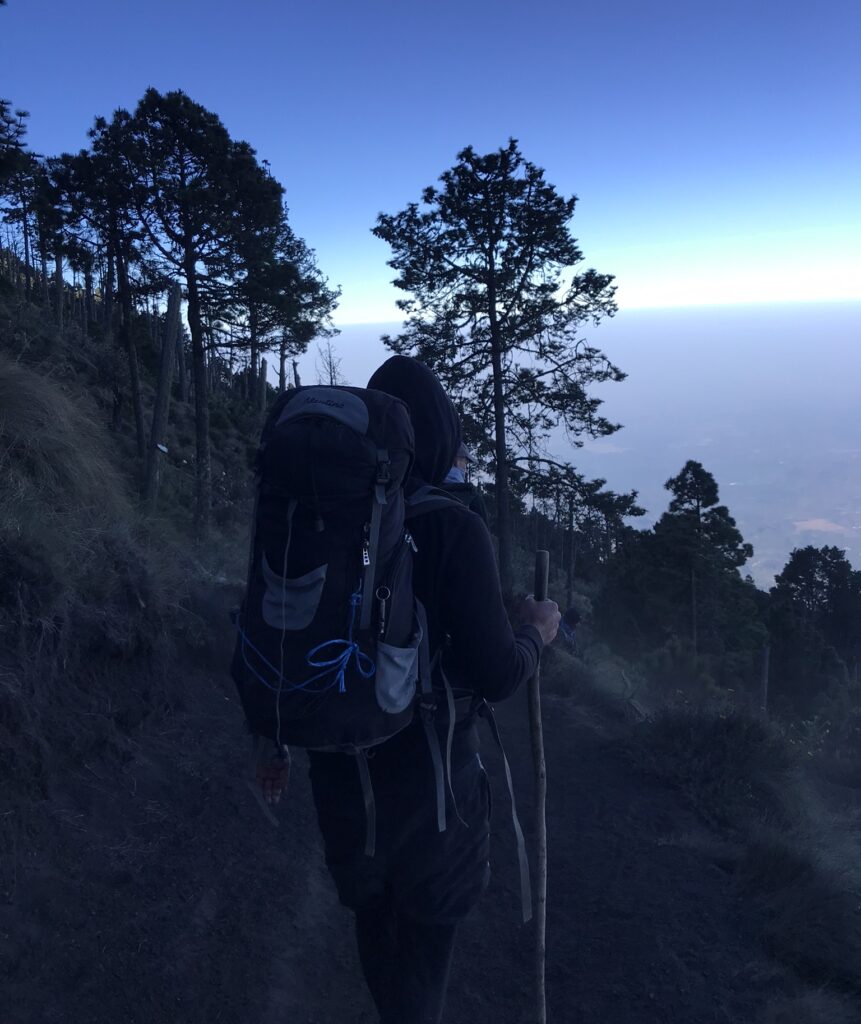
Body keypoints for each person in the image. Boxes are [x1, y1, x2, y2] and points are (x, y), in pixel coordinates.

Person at [258, 356, 559, 1024]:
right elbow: (497, 673)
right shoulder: (452, 526)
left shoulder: (319, 519)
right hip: (434, 804)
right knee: (421, 964)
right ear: (439, 432)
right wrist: (536, 631)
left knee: (375, 927)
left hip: (342, 786)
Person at [441, 441, 488, 522]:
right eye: (465, 462)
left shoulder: (426, 489)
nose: (466, 469)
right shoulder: (472, 497)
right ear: (457, 461)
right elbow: (484, 532)